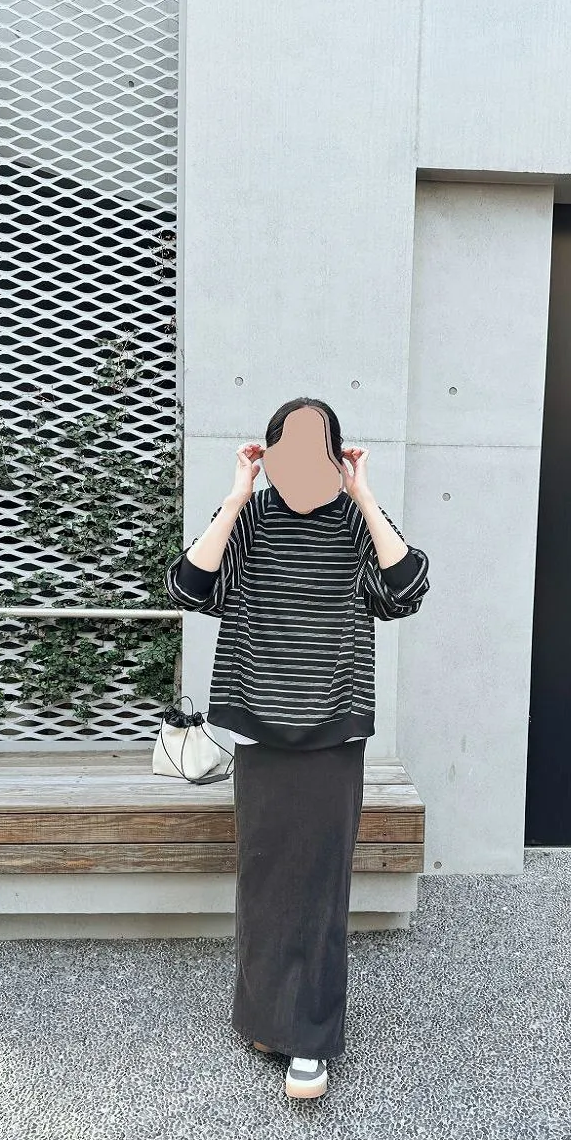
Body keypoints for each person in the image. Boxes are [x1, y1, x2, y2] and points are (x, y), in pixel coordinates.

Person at [163, 398, 430, 1099]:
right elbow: (189, 586)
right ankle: (264, 1019)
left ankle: (309, 1041)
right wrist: (235, 494)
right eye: (289, 445)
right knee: (264, 878)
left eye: (320, 448)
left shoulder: (355, 523)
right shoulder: (251, 518)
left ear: (337, 455)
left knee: (319, 884)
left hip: (333, 730)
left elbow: (406, 590)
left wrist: (365, 496)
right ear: (270, 451)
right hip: (259, 726)